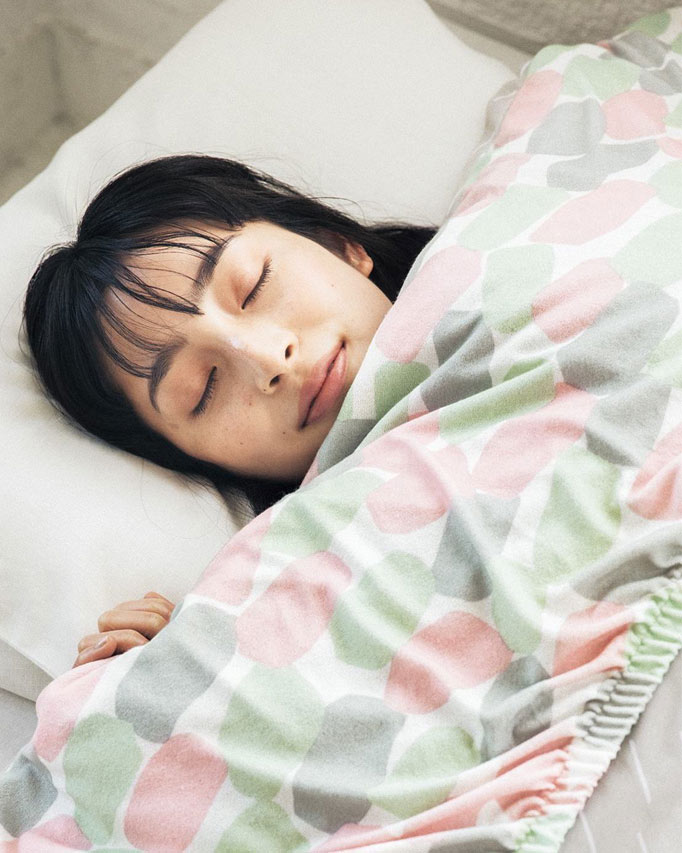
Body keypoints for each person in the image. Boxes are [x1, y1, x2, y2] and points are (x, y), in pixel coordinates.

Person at [23, 153, 436, 669]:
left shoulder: (515, 223)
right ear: (196, 461)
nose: (268, 359)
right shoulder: (289, 597)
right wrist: (189, 672)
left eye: (254, 286)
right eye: (203, 389)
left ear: (335, 244)